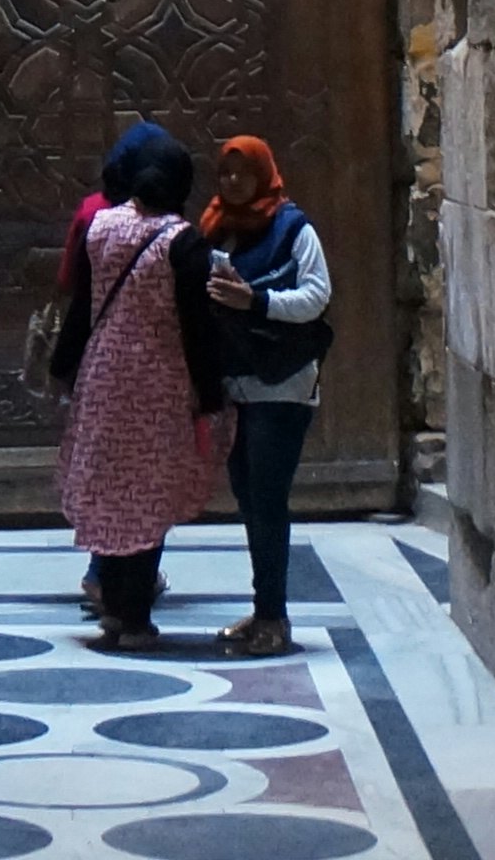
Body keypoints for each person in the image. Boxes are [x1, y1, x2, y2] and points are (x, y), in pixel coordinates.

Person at [50, 126, 223, 652]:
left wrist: (64, 366)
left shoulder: (100, 227)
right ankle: (136, 617)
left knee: (112, 491)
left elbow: (82, 307)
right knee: (148, 498)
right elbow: (197, 325)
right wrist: (210, 389)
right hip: (158, 383)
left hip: (104, 377)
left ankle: (115, 610)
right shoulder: (183, 242)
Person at [198, 133, 332, 656]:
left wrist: (256, 301)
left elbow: (316, 295)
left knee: (269, 499)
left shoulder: (292, 227)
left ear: (263, 174)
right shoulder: (216, 230)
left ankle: (275, 617)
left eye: (242, 173)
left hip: (282, 381)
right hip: (238, 381)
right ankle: (263, 609)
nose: (233, 182)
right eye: (225, 173)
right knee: (249, 497)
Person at [51, 119, 173, 618]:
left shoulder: (92, 212)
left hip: (96, 359)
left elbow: (70, 284)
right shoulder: (163, 220)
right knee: (148, 473)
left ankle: (107, 571)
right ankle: (125, 580)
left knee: (106, 468)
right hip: (150, 366)